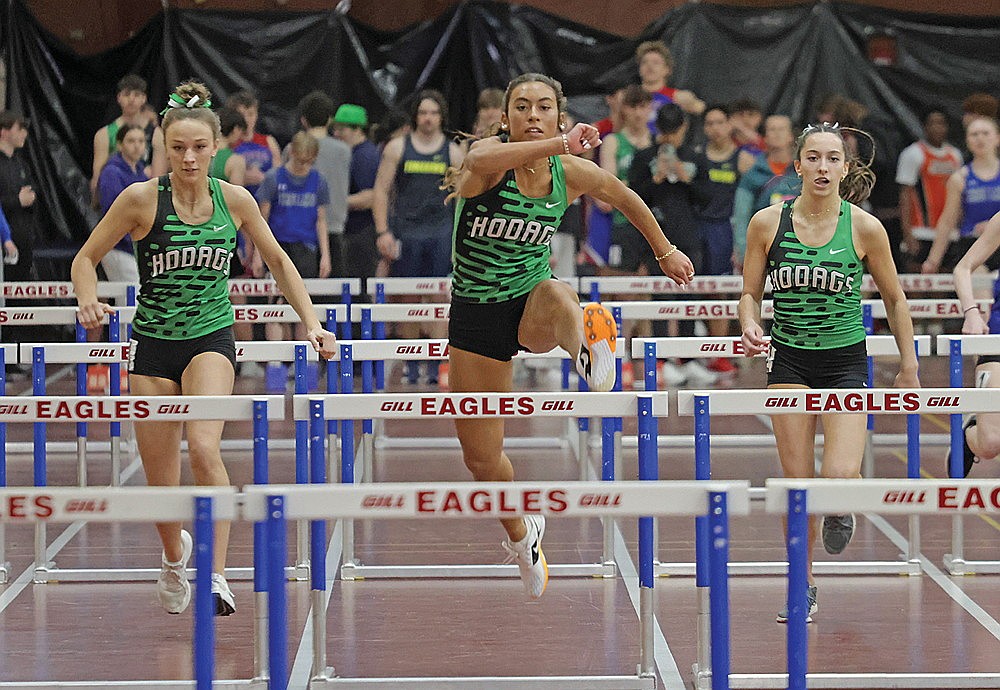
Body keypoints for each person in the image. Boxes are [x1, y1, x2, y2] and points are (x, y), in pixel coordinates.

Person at [71, 81, 337, 617]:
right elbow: (84, 259)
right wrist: (88, 299)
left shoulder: (233, 201)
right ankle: (174, 557)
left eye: (198, 148)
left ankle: (215, 573)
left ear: (215, 148)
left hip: (212, 339)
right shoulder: (140, 200)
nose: (189, 157)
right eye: (178, 148)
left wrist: (311, 323)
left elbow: (282, 264)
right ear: (162, 149)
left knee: (204, 447)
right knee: (160, 479)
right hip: (152, 345)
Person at [442, 72, 695, 599]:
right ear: (507, 118)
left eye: (543, 107)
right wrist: (558, 142)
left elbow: (624, 196)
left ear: (559, 114)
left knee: (559, 294)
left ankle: (589, 351)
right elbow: (475, 163)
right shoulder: (488, 163)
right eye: (521, 107)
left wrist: (665, 250)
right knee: (482, 458)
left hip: (530, 301)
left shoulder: (570, 174)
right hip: (475, 314)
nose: (532, 115)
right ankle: (521, 532)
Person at [739, 122, 919, 623]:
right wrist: (750, 323)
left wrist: (908, 366)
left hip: (844, 362)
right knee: (797, 484)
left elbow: (895, 297)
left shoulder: (863, 227)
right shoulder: (765, 223)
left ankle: (841, 502)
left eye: (832, 159)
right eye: (812, 158)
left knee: (839, 476)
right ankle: (803, 583)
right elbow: (750, 293)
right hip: (789, 360)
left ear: (845, 167)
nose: (822, 167)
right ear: (796, 166)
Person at [373, 89, 464, 385]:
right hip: (406, 233)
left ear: (441, 117)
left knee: (440, 298)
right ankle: (411, 362)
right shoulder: (397, 148)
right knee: (408, 298)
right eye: (423, 112)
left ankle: (437, 362)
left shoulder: (453, 152)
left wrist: (459, 240)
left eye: (433, 113)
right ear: (415, 116)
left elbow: (462, 198)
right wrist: (382, 231)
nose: (428, 118)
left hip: (440, 232)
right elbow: (381, 191)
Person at [952, 210, 1000, 477]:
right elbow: (963, 268)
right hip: (997, 342)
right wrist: (971, 312)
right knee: (990, 444)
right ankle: (970, 429)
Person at [922, 117, 1000, 275]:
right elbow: (948, 220)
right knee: (979, 289)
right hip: (972, 246)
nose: (980, 138)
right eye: (974, 134)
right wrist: (933, 260)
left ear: (997, 138)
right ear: (967, 141)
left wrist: (993, 226)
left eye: (986, 133)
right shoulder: (960, 178)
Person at [288, 91, 351, 277]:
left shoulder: (291, 150)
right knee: (332, 294)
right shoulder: (344, 150)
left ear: (303, 120)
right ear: (329, 120)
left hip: (300, 229)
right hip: (334, 225)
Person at [896, 106, 963, 270]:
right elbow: (905, 195)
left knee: (943, 283)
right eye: (932, 123)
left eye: (941, 123)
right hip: (920, 231)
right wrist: (907, 233)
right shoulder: (912, 154)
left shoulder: (955, 155)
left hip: (949, 233)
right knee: (917, 282)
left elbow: (961, 195)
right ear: (924, 127)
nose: (937, 128)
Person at [731, 114, 800, 272]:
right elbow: (741, 217)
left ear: (791, 136)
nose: (777, 133)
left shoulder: (804, 172)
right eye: (772, 129)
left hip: (800, 250)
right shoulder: (752, 175)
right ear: (765, 137)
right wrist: (743, 254)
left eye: (782, 129)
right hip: (763, 249)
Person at [91, 74, 166, 204]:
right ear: (119, 98)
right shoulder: (104, 134)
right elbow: (98, 176)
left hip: (145, 198)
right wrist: (95, 200)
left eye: (136, 95)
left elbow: (159, 177)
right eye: (126, 94)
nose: (131, 99)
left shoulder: (156, 134)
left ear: (144, 99)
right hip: (115, 194)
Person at [332, 103, 381, 282]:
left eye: (341, 129)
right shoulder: (349, 153)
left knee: (358, 287)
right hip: (351, 232)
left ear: (357, 130)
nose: (336, 134)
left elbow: (370, 197)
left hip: (361, 233)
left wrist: (334, 203)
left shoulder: (365, 156)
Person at [96, 123, 147, 284]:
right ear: (119, 145)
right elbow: (115, 213)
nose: (137, 146)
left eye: (141, 141)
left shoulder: (140, 172)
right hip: (118, 246)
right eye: (131, 141)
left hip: (135, 247)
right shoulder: (112, 173)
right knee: (131, 299)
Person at [0, 110, 38, 282]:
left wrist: (30, 199)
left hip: (23, 238)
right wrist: (17, 201)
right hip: (4, 240)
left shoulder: (21, 164)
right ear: (4, 131)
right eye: (19, 128)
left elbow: (32, 193)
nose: (24, 133)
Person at [226, 90, 282, 197]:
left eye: (251, 114)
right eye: (242, 115)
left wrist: (264, 178)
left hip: (265, 203)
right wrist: (240, 177)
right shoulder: (228, 144)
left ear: (256, 115)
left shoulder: (269, 141)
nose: (246, 120)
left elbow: (280, 176)